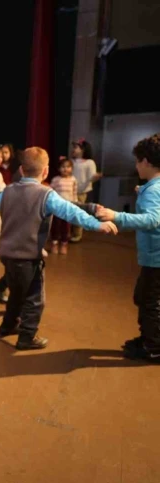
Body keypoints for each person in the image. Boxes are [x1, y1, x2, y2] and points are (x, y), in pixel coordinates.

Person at [0, 147, 117, 349]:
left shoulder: (8, 191)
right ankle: (26, 337)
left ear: (22, 170)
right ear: (45, 171)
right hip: (29, 258)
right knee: (34, 299)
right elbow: (70, 212)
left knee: (16, 294)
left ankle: (7, 327)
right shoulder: (46, 195)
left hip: (7, 256)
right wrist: (96, 224)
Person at [96, 134, 160, 362]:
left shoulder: (153, 190)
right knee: (143, 297)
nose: (136, 166)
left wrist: (117, 216)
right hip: (153, 258)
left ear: (146, 162)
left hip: (156, 258)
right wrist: (141, 192)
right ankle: (149, 338)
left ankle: (154, 347)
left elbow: (153, 219)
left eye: (137, 161)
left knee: (151, 302)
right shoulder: (153, 187)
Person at [69, 138, 102, 242]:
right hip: (69, 190)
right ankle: (68, 233)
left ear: (83, 149)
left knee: (78, 212)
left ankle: (77, 234)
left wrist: (95, 177)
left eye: (76, 147)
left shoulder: (89, 162)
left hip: (81, 191)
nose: (73, 149)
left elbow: (91, 177)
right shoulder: (71, 161)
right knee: (68, 212)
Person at [49, 158, 78, 254]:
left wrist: (75, 204)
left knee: (66, 227)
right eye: (63, 167)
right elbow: (50, 192)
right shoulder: (56, 179)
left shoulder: (73, 180)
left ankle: (64, 244)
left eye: (68, 167)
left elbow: (74, 193)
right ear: (59, 168)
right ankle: (54, 243)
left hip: (68, 207)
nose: (65, 169)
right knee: (55, 226)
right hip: (57, 207)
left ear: (72, 168)